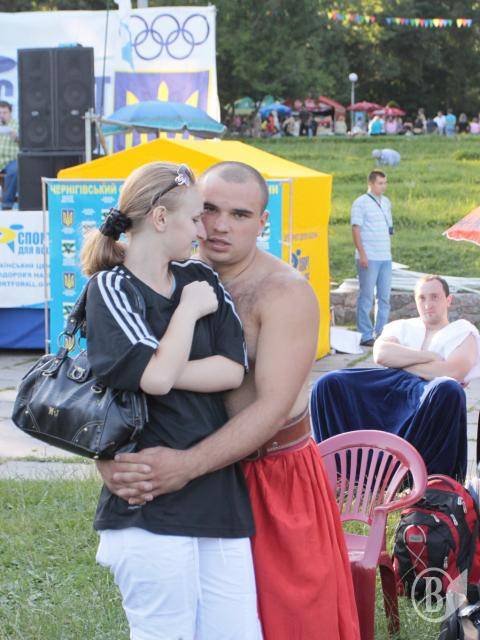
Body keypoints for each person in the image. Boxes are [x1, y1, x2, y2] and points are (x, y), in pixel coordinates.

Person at [97, 161, 360, 640]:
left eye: (240, 215)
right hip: (191, 475)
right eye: (210, 210)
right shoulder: (156, 278)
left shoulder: (283, 292)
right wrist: (108, 457)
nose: (219, 226)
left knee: (293, 623)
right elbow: (105, 376)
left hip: (272, 473)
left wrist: (186, 465)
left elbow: (272, 407)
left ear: (263, 222)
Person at [82, 161, 262, 640]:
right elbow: (157, 379)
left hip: (216, 496)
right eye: (196, 217)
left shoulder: (200, 277)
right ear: (161, 218)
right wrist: (185, 314)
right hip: (147, 500)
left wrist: (153, 367)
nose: (204, 229)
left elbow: (231, 369)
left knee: (238, 633)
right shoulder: (112, 287)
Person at [311, 275, 480, 481]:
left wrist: (403, 361)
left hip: (428, 393)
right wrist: (429, 356)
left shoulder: (462, 331)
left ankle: (430, 482)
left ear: (448, 300)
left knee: (448, 388)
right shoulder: (403, 326)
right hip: (390, 384)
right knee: (329, 383)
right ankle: (339, 471)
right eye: (422, 298)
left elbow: (453, 371)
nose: (428, 304)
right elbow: (381, 354)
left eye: (435, 297)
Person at [351, 170, 393, 346]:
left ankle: (381, 333)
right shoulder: (360, 203)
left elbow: (389, 229)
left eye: (385, 183)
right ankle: (365, 334)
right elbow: (356, 229)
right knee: (366, 297)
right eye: (380, 183)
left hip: (385, 257)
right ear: (371, 184)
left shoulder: (386, 202)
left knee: (384, 298)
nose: (383, 186)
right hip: (369, 256)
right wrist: (362, 254)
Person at [0, 101, 19, 210]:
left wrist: (16, 137)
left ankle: (6, 206)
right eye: (0, 113)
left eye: (4, 112)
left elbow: (27, 143)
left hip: (11, 160)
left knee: (15, 170)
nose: (1, 115)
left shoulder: (17, 125)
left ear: (10, 113)